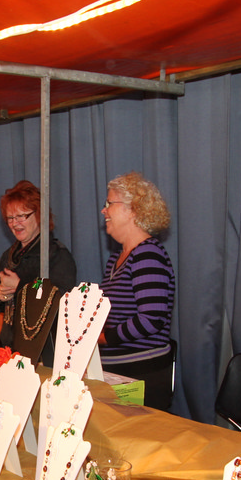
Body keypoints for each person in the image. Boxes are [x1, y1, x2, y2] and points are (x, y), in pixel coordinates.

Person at [99, 171, 176, 410]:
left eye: (109, 204)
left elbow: (151, 319)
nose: (104, 211)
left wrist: (104, 337)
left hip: (142, 377)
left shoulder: (148, 255)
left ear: (133, 209)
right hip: (116, 374)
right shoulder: (115, 259)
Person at [0, 180, 77, 363]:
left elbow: (61, 301)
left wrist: (20, 286)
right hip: (10, 347)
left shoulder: (56, 255)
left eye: (21, 216)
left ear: (39, 215)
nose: (15, 223)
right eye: (10, 218)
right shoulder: (9, 256)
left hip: (43, 352)